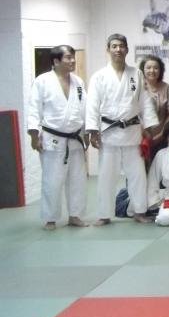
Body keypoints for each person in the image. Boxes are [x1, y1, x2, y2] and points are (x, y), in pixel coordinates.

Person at [86, 34, 158, 225]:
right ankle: (104, 214)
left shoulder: (136, 74)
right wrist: (92, 130)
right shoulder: (99, 76)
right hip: (109, 133)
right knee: (106, 176)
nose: (118, 49)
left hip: (132, 132)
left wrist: (150, 125)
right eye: (114, 46)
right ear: (108, 49)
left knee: (137, 175)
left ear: (127, 49)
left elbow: (144, 101)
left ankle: (139, 211)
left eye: (121, 46)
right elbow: (92, 105)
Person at [27, 45, 88, 230]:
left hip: (75, 138)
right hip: (52, 138)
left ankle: (75, 215)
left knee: (77, 180)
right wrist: (33, 135)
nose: (73, 60)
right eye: (68, 57)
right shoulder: (42, 81)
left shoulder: (78, 82)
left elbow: (84, 109)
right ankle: (50, 218)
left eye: (73, 57)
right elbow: (34, 109)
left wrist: (86, 132)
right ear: (56, 61)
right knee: (52, 180)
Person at [139, 55, 169, 163]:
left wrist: (162, 134)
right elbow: (133, 113)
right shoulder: (137, 87)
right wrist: (145, 133)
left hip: (162, 137)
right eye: (148, 67)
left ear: (160, 70)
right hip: (139, 136)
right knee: (141, 169)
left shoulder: (167, 88)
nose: (152, 71)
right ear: (143, 70)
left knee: (161, 167)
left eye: (156, 68)